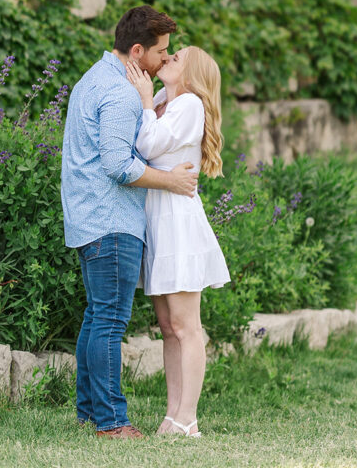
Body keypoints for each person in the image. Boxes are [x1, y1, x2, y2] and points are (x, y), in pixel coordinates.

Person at [61, 6, 198, 440]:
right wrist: (173, 181)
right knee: (109, 322)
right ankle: (111, 422)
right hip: (111, 221)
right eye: (161, 52)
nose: (164, 60)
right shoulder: (120, 92)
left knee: (96, 317)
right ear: (137, 51)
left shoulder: (92, 78)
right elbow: (120, 165)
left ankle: (89, 412)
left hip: (89, 219)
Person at [126, 45, 230, 438]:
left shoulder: (188, 104)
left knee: (186, 326)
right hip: (155, 218)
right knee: (168, 327)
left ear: (191, 75)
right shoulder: (162, 100)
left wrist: (141, 100)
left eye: (177, 57)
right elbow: (140, 141)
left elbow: (148, 146)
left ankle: (189, 418)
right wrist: (146, 101)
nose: (168, 58)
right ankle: (172, 415)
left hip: (177, 222)